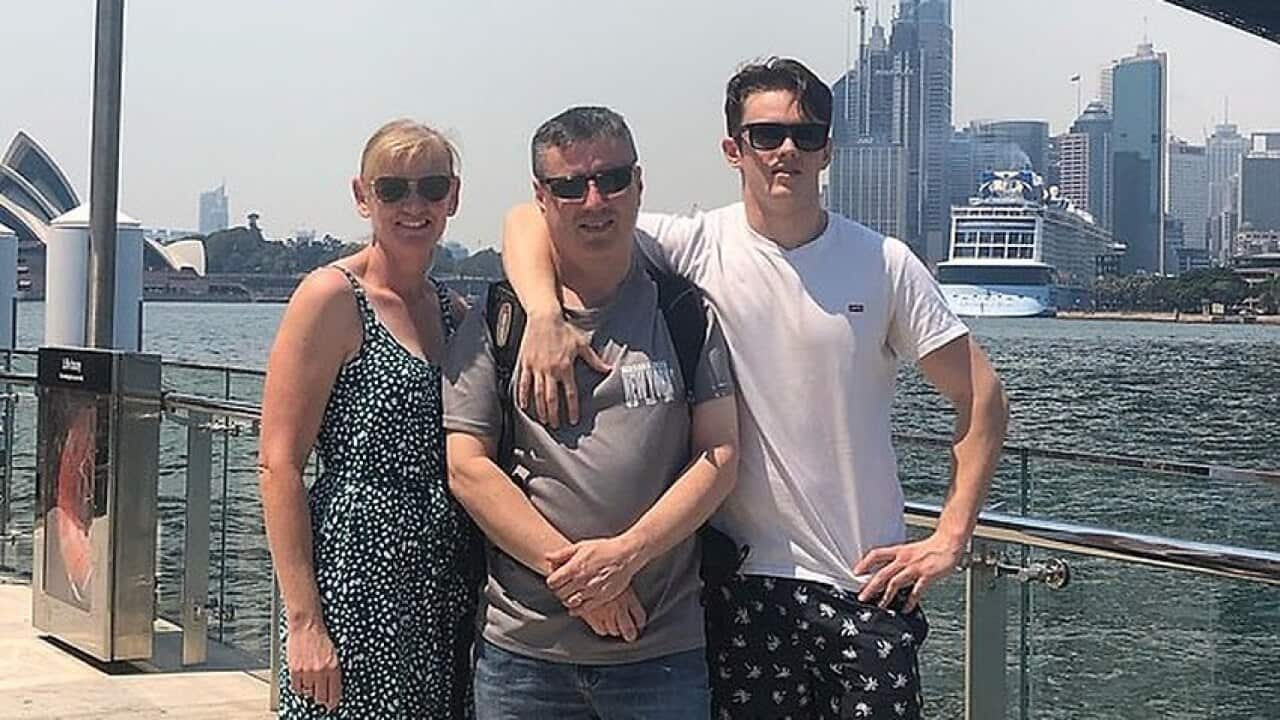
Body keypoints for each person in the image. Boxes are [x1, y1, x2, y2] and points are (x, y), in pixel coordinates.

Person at [501, 58, 1009, 720]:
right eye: (766, 135)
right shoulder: (694, 246)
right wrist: (544, 315)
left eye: (805, 134)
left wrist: (949, 538)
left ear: (828, 149)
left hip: (863, 584)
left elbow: (982, 398)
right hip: (738, 590)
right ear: (733, 149)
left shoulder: (884, 263)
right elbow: (530, 217)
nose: (786, 150)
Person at [443, 105, 739, 720]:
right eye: (570, 186)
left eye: (612, 179)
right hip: (524, 653)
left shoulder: (684, 312)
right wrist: (581, 582)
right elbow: (467, 468)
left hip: (661, 650)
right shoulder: (501, 322)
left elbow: (720, 456)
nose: (594, 200)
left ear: (639, 183)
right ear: (542, 197)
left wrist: (626, 555)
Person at [259, 119, 482, 718]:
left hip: (442, 580)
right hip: (355, 575)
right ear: (363, 196)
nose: (414, 205)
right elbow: (279, 464)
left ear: (453, 198)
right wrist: (304, 621)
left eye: (431, 187)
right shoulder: (331, 298)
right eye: (392, 189)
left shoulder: (457, 314)